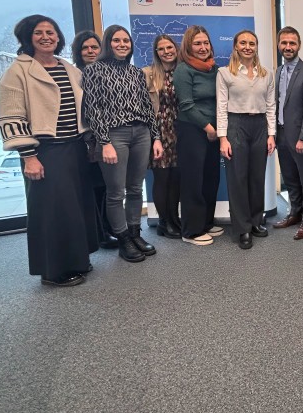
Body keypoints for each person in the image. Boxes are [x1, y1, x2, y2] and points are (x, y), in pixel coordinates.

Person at [0, 15, 98, 286]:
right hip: (44, 152)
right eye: (39, 32)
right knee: (51, 212)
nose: (46, 37)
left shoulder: (68, 68)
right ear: (27, 37)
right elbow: (12, 117)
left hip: (74, 147)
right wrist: (28, 156)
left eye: (51, 32)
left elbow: (83, 109)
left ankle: (77, 259)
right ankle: (52, 272)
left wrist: (90, 141)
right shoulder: (17, 72)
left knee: (74, 207)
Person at [83, 25, 163, 263]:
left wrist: (156, 136)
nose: (122, 44)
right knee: (116, 192)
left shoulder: (136, 72)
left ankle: (135, 233)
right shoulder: (94, 70)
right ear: (108, 43)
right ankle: (123, 239)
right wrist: (104, 141)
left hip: (141, 133)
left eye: (126, 41)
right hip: (113, 136)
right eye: (116, 40)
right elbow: (93, 109)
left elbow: (148, 107)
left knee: (136, 188)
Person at [217, 30, 276, 250]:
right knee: (238, 178)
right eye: (243, 43)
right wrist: (223, 138)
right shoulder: (225, 73)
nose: (247, 47)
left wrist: (271, 135)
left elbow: (271, 105)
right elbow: (221, 107)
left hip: (260, 126)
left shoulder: (266, 74)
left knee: (256, 177)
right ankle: (242, 228)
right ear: (235, 46)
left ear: (256, 46)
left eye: (252, 43)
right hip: (236, 126)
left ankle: (255, 221)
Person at [173, 25, 221, 246]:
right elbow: (186, 104)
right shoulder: (183, 70)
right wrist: (208, 128)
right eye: (197, 44)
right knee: (193, 180)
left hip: (213, 131)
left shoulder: (213, 69)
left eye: (206, 43)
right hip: (193, 130)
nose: (203, 48)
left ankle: (206, 223)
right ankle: (191, 230)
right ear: (188, 47)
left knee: (210, 177)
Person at [71, 30, 119, 250]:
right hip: (81, 139)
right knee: (93, 187)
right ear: (78, 52)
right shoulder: (74, 75)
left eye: (94, 47)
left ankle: (109, 229)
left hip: (105, 137)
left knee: (106, 186)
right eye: (85, 48)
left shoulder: (105, 73)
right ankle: (99, 232)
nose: (90, 51)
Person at [272, 26, 303, 240]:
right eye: (284, 42)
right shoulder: (279, 71)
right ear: (279, 44)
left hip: (300, 138)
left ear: (298, 45)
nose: (288, 47)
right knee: (290, 178)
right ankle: (294, 213)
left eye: (292, 43)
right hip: (281, 134)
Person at [143, 34, 182, 240]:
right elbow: (144, 108)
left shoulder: (182, 71)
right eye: (161, 48)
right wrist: (154, 136)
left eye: (169, 47)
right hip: (158, 132)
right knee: (162, 178)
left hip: (180, 130)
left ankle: (174, 219)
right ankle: (164, 222)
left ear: (175, 48)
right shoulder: (148, 74)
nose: (166, 51)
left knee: (176, 178)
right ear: (156, 52)